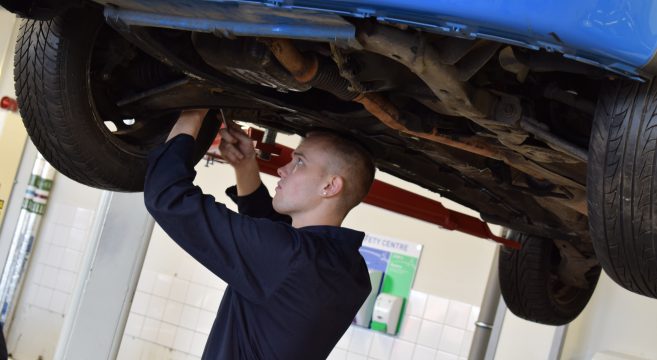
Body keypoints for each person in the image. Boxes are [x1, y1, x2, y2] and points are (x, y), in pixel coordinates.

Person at [143, 109, 376, 359]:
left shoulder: (291, 258)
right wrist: (245, 167)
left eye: (299, 162)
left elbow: (167, 197)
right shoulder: (349, 270)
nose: (282, 170)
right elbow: (275, 237)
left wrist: (191, 114)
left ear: (329, 186)